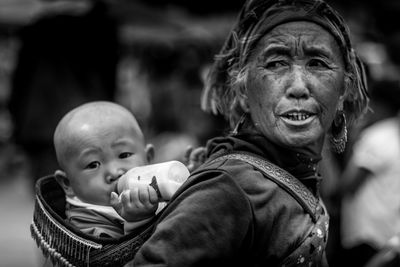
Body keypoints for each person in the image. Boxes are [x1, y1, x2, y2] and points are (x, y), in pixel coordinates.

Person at [125, 0, 369, 266]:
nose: (298, 87)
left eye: (318, 63)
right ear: (242, 87)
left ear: (344, 88)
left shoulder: (294, 173)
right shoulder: (230, 188)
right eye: (276, 63)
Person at [53, 101, 188, 239]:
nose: (114, 172)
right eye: (93, 165)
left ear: (148, 157)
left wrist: (190, 177)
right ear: (67, 183)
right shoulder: (84, 229)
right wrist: (138, 222)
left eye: (124, 155)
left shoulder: (154, 185)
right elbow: (128, 259)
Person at [338, 80, 400, 267]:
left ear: (379, 105)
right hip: (387, 231)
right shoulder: (392, 134)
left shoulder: (375, 137)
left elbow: (348, 185)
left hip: (365, 233)